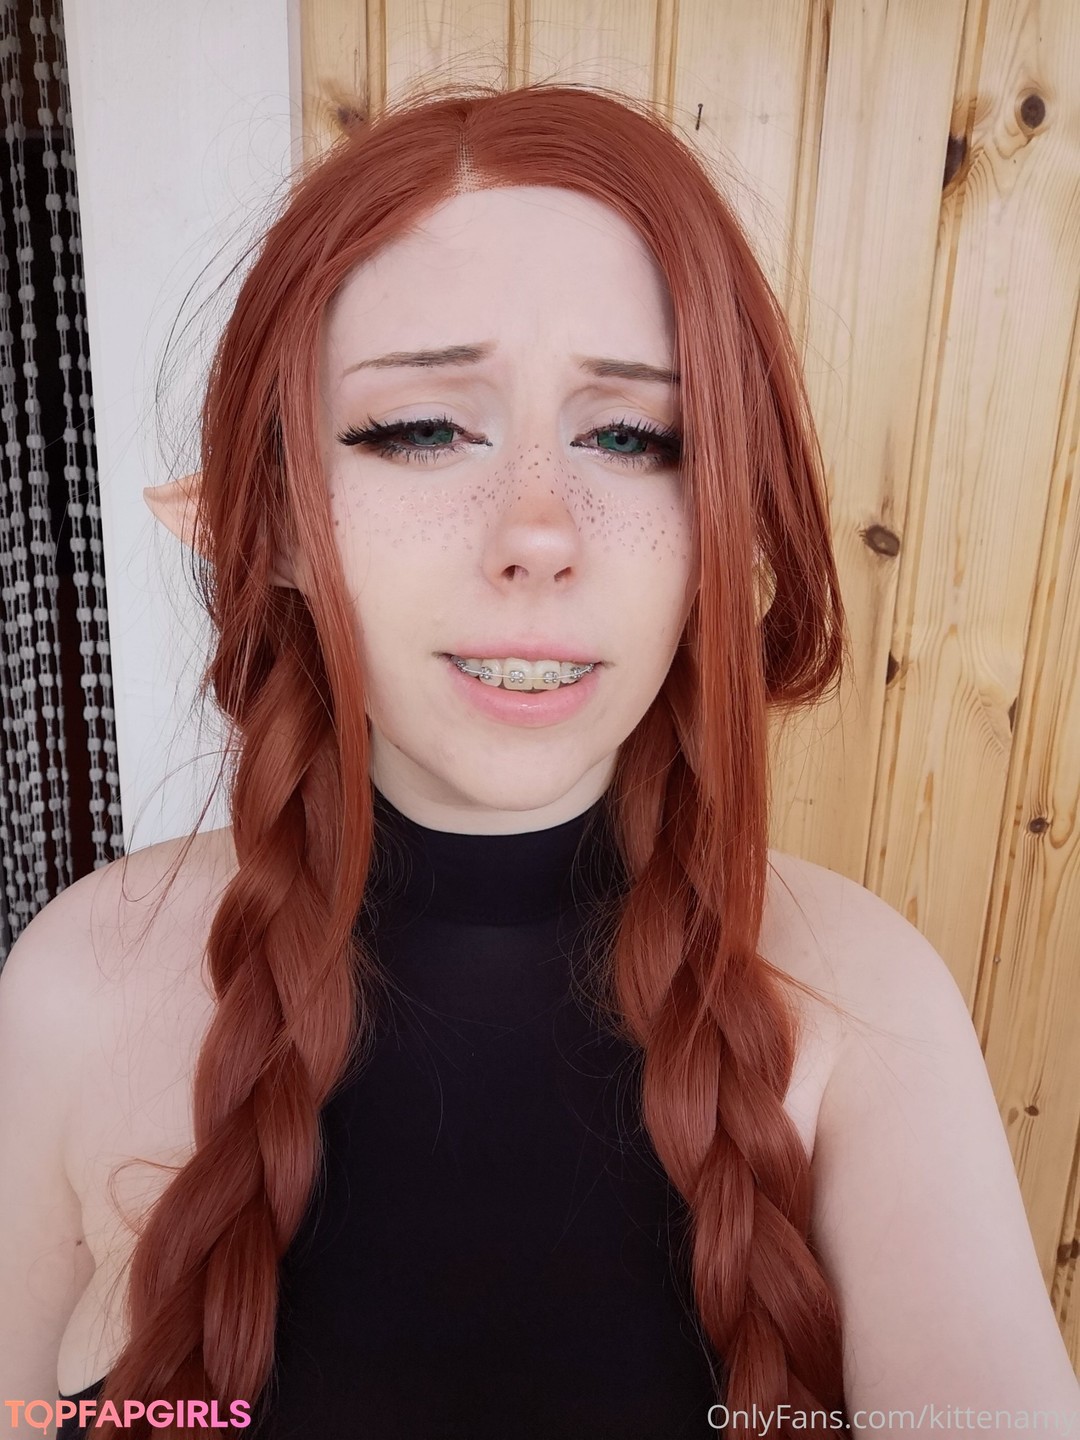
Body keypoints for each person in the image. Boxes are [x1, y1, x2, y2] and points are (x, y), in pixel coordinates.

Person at [0, 80, 1076, 1440]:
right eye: (420, 428)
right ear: (268, 523)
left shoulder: (870, 1005)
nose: (539, 535)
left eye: (634, 437)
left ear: (727, 525)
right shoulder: (74, 984)